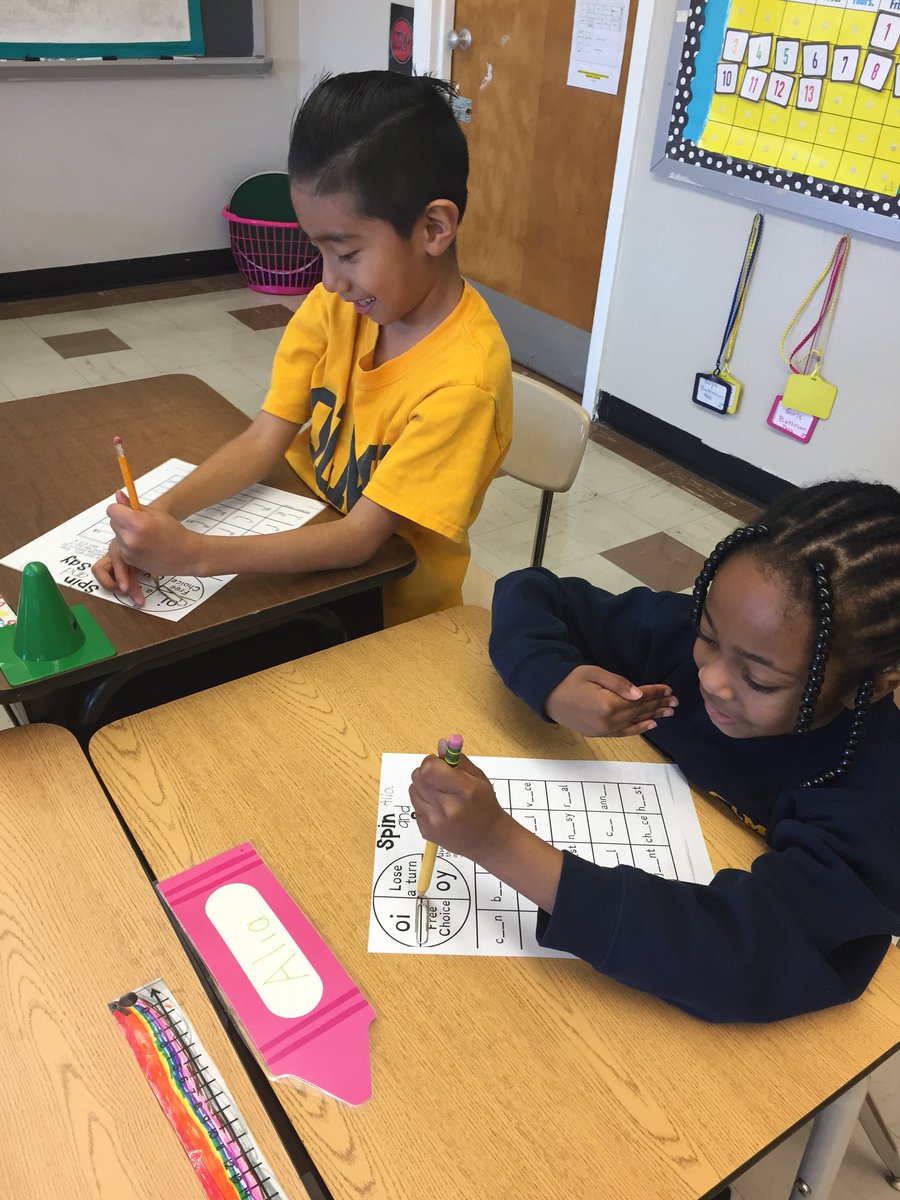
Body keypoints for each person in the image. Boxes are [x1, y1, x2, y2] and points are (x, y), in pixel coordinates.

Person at [409, 480, 900, 1022]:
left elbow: (748, 957)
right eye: (707, 634)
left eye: (758, 680)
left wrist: (496, 844)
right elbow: (532, 591)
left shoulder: (874, 796)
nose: (711, 679)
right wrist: (554, 682)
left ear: (868, 686)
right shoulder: (686, 640)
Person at [93, 71, 512, 625]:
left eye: (346, 252)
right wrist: (156, 519)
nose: (330, 279)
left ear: (434, 228)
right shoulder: (341, 305)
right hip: (302, 540)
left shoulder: (465, 384)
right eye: (319, 249)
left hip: (386, 612)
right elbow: (266, 437)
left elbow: (363, 540)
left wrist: (193, 554)